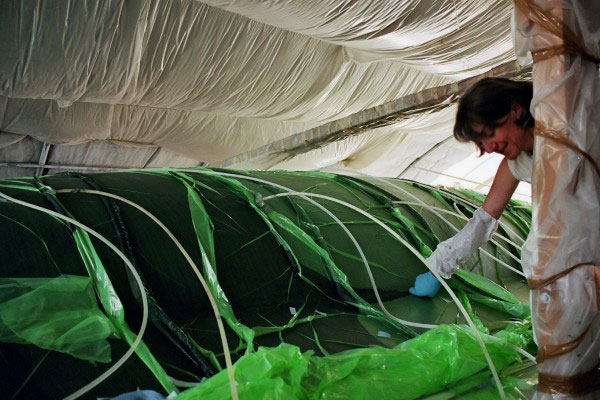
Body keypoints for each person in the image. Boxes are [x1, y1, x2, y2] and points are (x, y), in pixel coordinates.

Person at [409, 77, 535, 297]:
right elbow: (483, 222)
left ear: (515, 110)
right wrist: (438, 268)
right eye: (481, 143)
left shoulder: (575, 130)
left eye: (489, 133)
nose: (489, 148)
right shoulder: (515, 165)